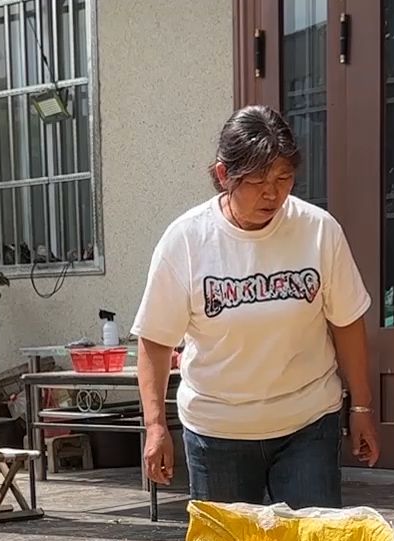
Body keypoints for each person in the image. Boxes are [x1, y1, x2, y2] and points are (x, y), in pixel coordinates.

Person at [133, 105, 378, 509]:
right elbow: (156, 341)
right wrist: (156, 425)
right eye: (258, 180)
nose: (273, 193)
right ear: (223, 175)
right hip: (217, 431)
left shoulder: (318, 230)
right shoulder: (187, 241)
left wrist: (363, 405)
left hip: (308, 422)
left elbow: (347, 322)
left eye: (284, 178)